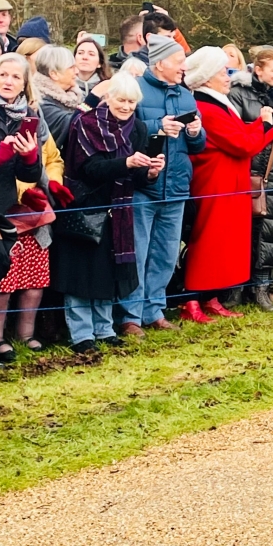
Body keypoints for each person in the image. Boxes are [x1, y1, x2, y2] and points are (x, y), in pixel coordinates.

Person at [50, 72, 164, 351]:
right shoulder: (86, 125)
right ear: (108, 98)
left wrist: (149, 173)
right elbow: (89, 169)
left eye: (131, 103)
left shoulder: (137, 129)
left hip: (119, 210)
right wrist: (126, 163)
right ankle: (81, 334)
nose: (126, 107)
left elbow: (134, 178)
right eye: (121, 101)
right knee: (81, 273)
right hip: (85, 206)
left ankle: (104, 329)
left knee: (108, 272)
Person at [117, 33, 206, 336]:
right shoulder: (137, 90)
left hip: (177, 187)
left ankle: (154, 310)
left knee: (166, 254)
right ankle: (130, 316)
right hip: (144, 186)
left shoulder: (186, 94)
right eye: (179, 60)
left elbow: (197, 147)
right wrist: (158, 127)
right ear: (161, 62)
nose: (184, 66)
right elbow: (125, 130)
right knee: (138, 252)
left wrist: (196, 132)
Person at [183, 46, 273, 322]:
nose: (229, 77)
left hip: (228, 183)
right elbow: (242, 143)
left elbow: (240, 136)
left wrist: (261, 126)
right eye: (222, 72)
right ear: (205, 78)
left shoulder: (218, 104)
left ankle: (210, 297)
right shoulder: (207, 108)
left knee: (221, 243)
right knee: (207, 242)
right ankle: (191, 299)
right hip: (214, 183)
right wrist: (264, 125)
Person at [0, 53, 43, 366]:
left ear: (25, 85)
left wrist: (29, 159)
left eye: (16, 77)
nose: (9, 81)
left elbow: (29, 175)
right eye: (4, 75)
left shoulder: (26, 116)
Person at [229, 46, 273, 309]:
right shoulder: (237, 94)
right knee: (242, 232)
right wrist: (266, 127)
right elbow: (236, 132)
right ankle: (236, 287)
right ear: (258, 70)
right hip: (249, 168)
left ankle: (260, 287)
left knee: (270, 232)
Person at [33, 45, 83, 151]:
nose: (77, 71)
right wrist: (94, 97)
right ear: (54, 74)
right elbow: (75, 124)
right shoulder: (39, 100)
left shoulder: (74, 95)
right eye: (71, 67)